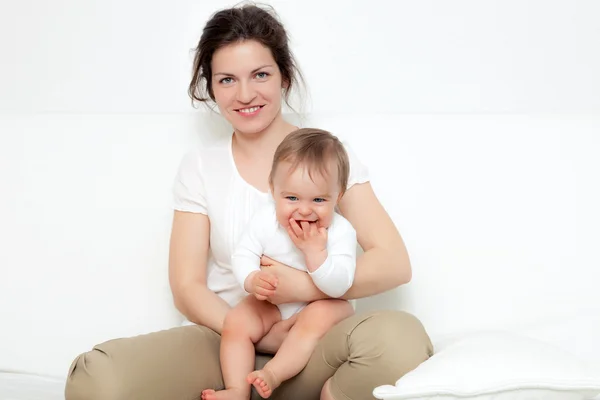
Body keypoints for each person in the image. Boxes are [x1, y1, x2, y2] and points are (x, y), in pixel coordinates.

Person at [64, 4, 433, 400]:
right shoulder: (200, 166)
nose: (244, 95)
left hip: (314, 344)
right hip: (226, 342)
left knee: (400, 339)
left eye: (260, 74)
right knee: (99, 379)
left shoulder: (327, 156)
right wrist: (255, 330)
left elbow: (395, 262)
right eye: (226, 80)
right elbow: (186, 286)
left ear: (284, 77)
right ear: (210, 87)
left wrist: (305, 289)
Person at [203, 128, 358, 400]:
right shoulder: (265, 221)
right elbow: (244, 254)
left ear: (338, 196)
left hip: (319, 306)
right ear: (273, 190)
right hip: (272, 303)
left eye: (319, 200)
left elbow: (340, 285)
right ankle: (237, 390)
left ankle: (273, 373)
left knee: (325, 313)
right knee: (236, 321)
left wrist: (315, 253)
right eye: (292, 198)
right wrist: (251, 279)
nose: (304, 209)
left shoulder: (341, 231)